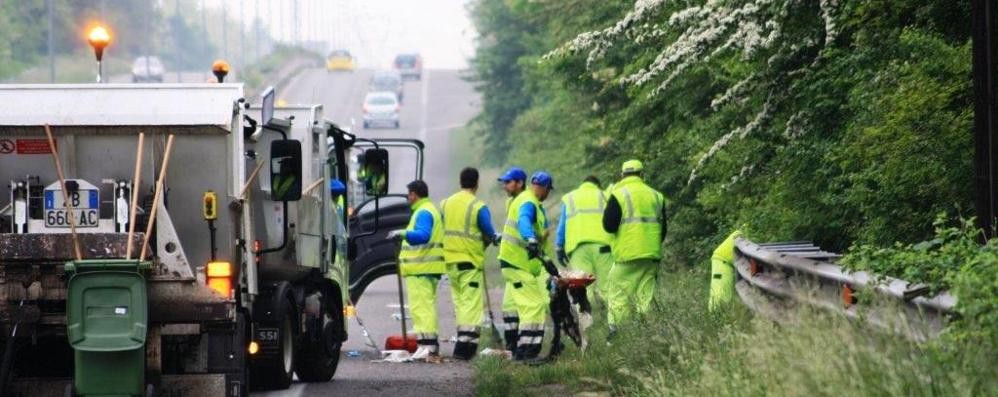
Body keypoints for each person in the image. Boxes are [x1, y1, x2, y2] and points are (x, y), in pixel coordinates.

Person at [497, 170, 559, 360]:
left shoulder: (528, 200)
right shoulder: (528, 202)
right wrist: (530, 238)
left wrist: (547, 262)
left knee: (526, 306)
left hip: (516, 264)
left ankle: (521, 351)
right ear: (544, 188)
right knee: (534, 306)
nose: (548, 194)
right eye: (548, 190)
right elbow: (524, 221)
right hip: (517, 264)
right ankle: (528, 353)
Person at [440, 167, 500, 360]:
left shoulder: (446, 204)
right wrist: (489, 241)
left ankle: (462, 341)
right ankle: (465, 349)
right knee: (471, 306)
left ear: (460, 182)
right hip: (469, 262)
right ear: (477, 183)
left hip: (450, 263)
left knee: (460, 304)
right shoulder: (478, 206)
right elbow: (490, 233)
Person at [602, 160, 667, 335]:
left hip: (626, 256)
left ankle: (618, 334)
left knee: (618, 295)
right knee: (645, 295)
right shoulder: (656, 196)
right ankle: (645, 333)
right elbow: (663, 229)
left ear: (622, 175)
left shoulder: (618, 194)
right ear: (642, 175)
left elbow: (608, 225)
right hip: (651, 255)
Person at [386, 180, 446, 362]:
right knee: (422, 308)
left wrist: (402, 233)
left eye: (409, 194)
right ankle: (425, 345)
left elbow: (423, 235)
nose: (408, 198)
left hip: (422, 268)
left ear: (414, 194)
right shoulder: (427, 209)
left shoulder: (424, 212)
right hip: (424, 268)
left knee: (423, 308)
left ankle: (428, 346)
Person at [554, 175, 613, 332]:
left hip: (578, 248)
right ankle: (612, 322)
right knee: (606, 286)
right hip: (604, 246)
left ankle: (589, 325)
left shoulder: (571, 198)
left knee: (584, 287)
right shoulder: (605, 195)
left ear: (583, 184)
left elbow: (562, 225)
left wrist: (559, 247)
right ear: (598, 185)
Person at [496, 167, 528, 352]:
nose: (505, 186)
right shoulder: (512, 202)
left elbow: (526, 228)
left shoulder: (525, 202)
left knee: (527, 306)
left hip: (522, 262)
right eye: (504, 182)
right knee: (509, 306)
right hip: (511, 262)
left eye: (508, 182)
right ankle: (511, 345)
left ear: (519, 183)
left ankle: (525, 347)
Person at [709, 229, 743, 312]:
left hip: (721, 258)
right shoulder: (752, 230)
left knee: (719, 289)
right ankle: (718, 313)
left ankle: (716, 313)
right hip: (723, 260)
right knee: (722, 290)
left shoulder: (747, 228)